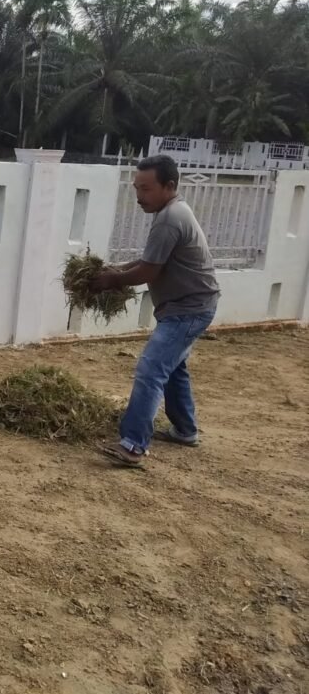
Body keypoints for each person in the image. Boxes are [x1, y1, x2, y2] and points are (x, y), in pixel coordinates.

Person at [91, 155, 220, 468]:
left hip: (188, 308)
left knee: (151, 370)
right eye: (136, 188)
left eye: (146, 189)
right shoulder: (173, 211)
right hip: (192, 304)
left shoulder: (169, 218)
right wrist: (117, 269)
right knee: (173, 369)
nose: (139, 196)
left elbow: (148, 272)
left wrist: (111, 280)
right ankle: (186, 430)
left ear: (169, 186)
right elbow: (150, 261)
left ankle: (133, 445)